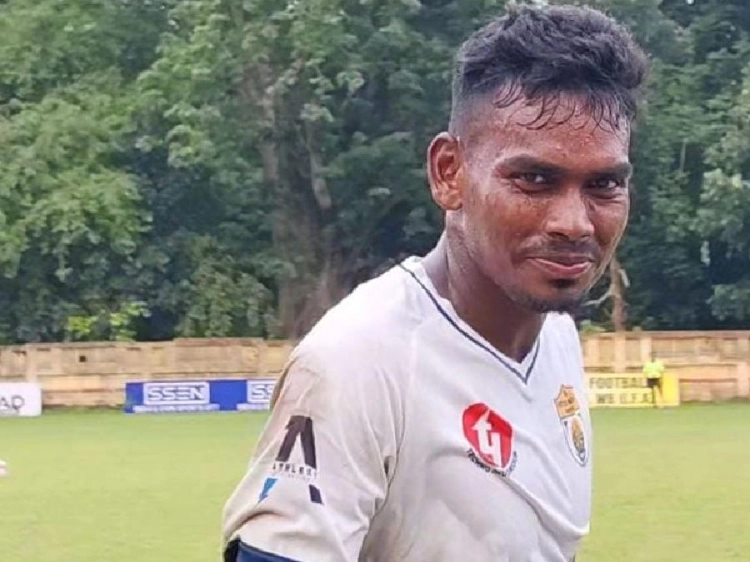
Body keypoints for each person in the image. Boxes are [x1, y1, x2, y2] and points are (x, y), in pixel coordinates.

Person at [220, 4, 649, 561]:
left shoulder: (556, 337)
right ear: (449, 172)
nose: (575, 222)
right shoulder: (359, 361)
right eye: (534, 179)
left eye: (604, 185)